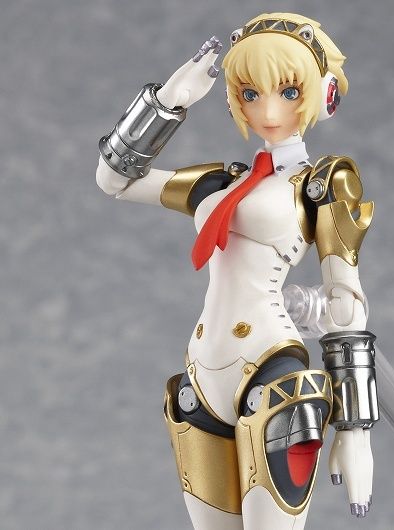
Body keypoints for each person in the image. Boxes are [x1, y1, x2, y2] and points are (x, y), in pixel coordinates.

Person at [96, 12, 379, 530]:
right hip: (202, 374)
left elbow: (346, 305)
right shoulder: (220, 183)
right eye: (250, 93)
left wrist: (354, 430)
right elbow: (115, 180)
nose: (267, 110)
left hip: (272, 370)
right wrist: (169, 102)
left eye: (288, 92)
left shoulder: (320, 184)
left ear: (323, 94)